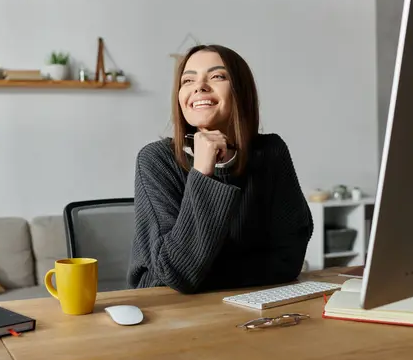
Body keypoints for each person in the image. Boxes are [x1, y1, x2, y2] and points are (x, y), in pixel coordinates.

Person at [126, 44, 313, 294]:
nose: (199, 87)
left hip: (245, 304)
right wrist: (203, 173)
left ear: (240, 91)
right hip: (166, 309)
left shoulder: (271, 153)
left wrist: (204, 273)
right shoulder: (156, 160)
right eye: (188, 80)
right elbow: (176, 273)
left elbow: (288, 261)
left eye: (217, 76)